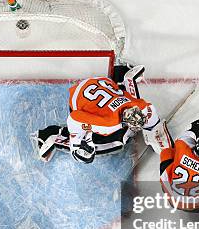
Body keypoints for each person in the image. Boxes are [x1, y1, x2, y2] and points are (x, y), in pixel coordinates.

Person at [34, 64, 170, 164]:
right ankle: (52, 135)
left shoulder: (141, 107)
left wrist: (153, 130)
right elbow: (74, 119)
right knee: (116, 142)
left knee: (123, 99)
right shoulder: (107, 125)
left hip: (101, 83)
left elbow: (147, 110)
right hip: (79, 97)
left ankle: (123, 75)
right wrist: (76, 143)